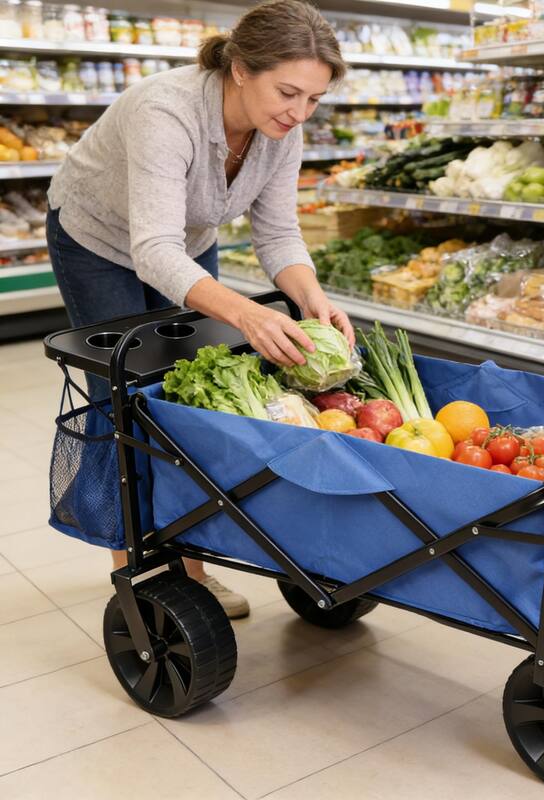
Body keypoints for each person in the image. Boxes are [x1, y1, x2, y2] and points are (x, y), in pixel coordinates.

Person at [46, 0, 354, 619]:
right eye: (288, 92)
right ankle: (141, 572)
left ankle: (193, 564)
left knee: (189, 395)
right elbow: (150, 247)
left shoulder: (280, 131)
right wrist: (247, 314)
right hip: (98, 241)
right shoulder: (167, 111)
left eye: (314, 100)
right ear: (240, 68)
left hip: (183, 247)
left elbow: (278, 236)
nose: (298, 113)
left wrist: (310, 296)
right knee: (123, 395)